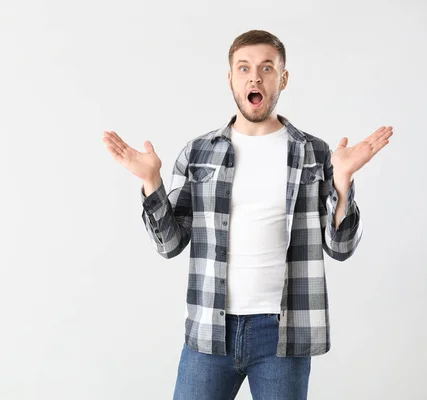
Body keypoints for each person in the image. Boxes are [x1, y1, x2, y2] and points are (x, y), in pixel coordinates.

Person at [102, 29, 392, 400]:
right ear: (230, 79)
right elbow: (171, 244)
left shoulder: (315, 154)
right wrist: (150, 182)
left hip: (283, 335)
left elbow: (340, 247)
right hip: (209, 330)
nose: (255, 76)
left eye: (266, 68)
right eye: (244, 68)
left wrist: (343, 181)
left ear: (282, 79)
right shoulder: (198, 152)